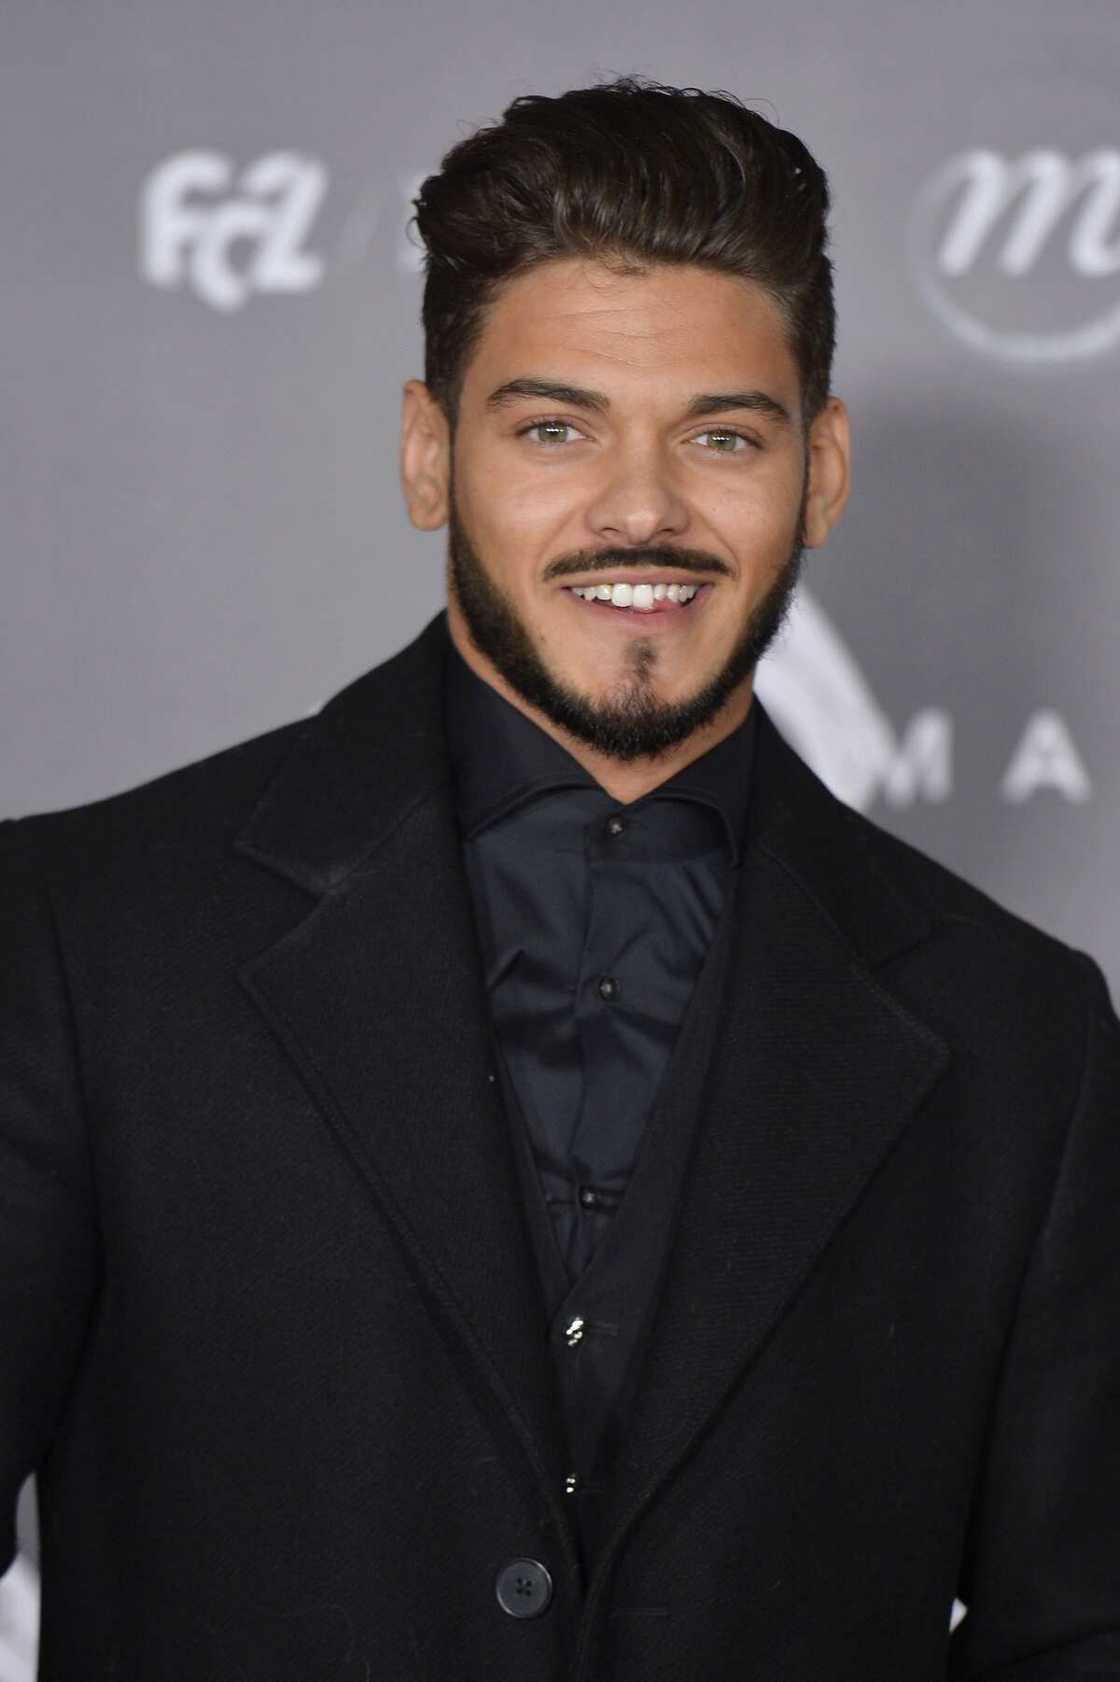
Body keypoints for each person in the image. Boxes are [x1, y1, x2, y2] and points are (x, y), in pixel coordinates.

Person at [2, 76, 1118, 1682]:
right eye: (555, 427)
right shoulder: (78, 940)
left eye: (722, 435)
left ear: (823, 469)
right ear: (428, 454)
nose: (643, 509)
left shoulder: (1028, 1041)